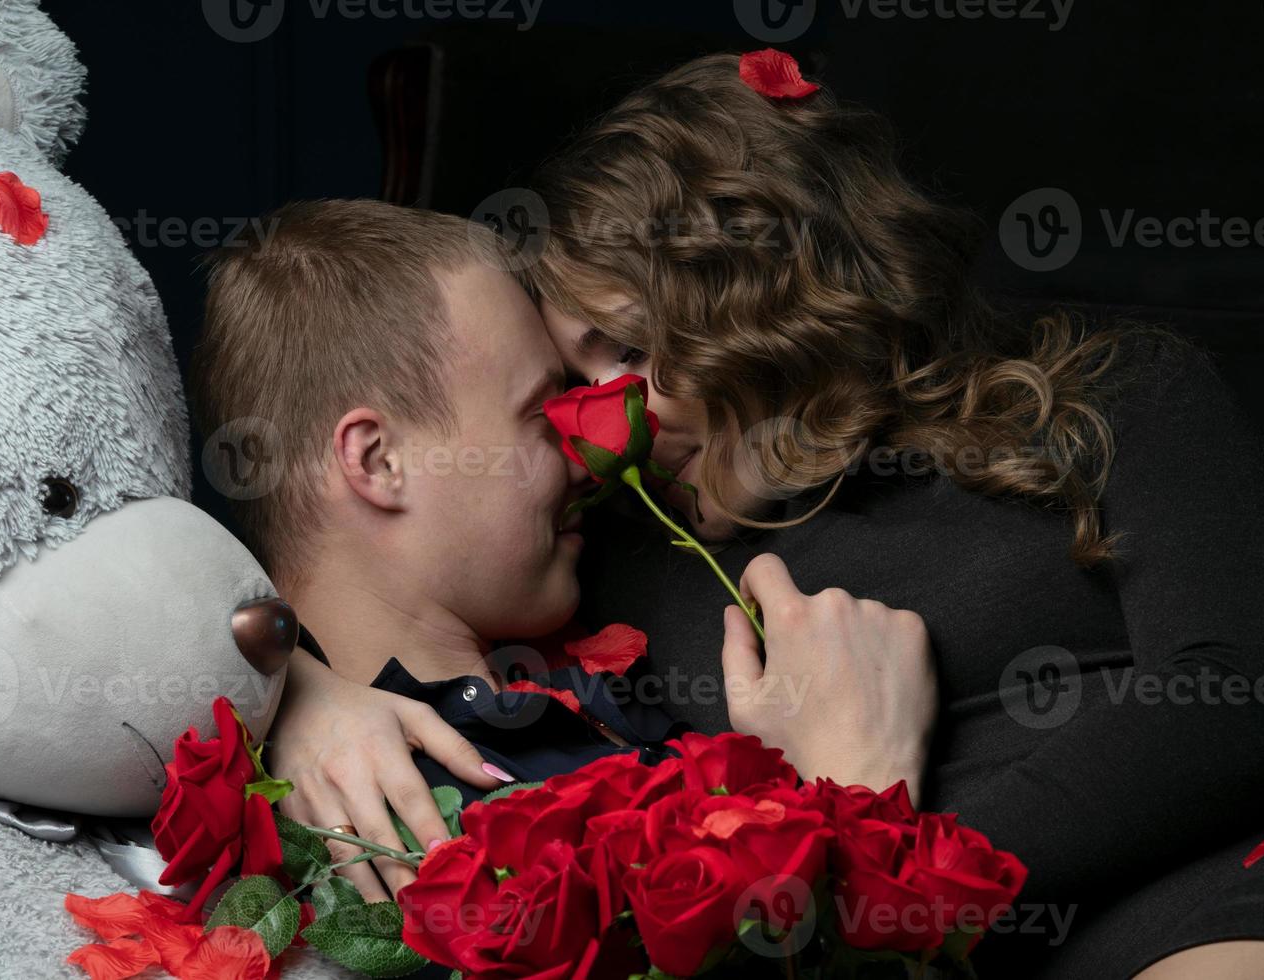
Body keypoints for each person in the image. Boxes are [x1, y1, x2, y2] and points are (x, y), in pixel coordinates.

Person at [519, 53, 1264, 979]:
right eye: (577, 383)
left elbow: (1246, 697)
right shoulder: (626, 558)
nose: (613, 416)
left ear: (761, 290)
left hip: (1230, 891)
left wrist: (893, 872)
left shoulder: (1104, 397)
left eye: (629, 349)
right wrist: (321, 701)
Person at [187, 198, 936, 907]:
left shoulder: (572, 630)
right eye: (541, 417)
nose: (590, 461)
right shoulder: (399, 833)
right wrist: (856, 790)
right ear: (380, 462)